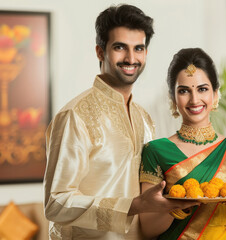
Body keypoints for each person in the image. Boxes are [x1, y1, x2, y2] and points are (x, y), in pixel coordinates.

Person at [44, 5, 196, 239]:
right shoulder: (75, 116)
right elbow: (56, 203)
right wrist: (133, 205)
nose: (131, 58)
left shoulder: (143, 117)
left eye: (139, 48)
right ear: (100, 51)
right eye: (119, 47)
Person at [139, 48, 226, 239]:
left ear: (215, 94)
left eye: (202, 89)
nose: (194, 99)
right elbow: (148, 229)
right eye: (183, 91)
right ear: (173, 98)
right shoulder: (156, 151)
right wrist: (177, 206)